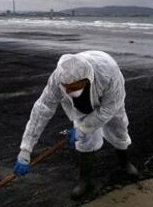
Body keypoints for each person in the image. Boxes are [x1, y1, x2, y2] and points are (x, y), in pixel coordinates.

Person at [13, 50, 139, 199]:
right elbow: (43, 108)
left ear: (87, 79)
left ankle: (124, 162)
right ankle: (85, 180)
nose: (71, 91)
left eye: (76, 87)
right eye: (68, 88)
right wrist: (26, 148)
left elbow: (108, 109)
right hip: (82, 107)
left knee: (119, 129)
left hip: (109, 99)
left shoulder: (108, 72)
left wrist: (83, 128)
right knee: (85, 140)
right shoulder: (58, 78)